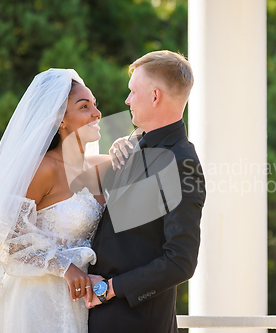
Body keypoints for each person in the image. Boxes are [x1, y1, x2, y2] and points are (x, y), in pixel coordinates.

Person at [0, 69, 111, 333]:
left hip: (80, 303)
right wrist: (65, 267)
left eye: (95, 105)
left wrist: (123, 148)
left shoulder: (97, 167)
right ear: (60, 119)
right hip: (35, 302)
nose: (97, 113)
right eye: (84, 107)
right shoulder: (44, 169)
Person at [87, 50, 206, 333]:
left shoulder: (182, 163)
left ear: (154, 96)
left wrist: (108, 289)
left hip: (136, 322)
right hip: (98, 317)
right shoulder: (133, 142)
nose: (127, 100)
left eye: (132, 92)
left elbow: (181, 261)